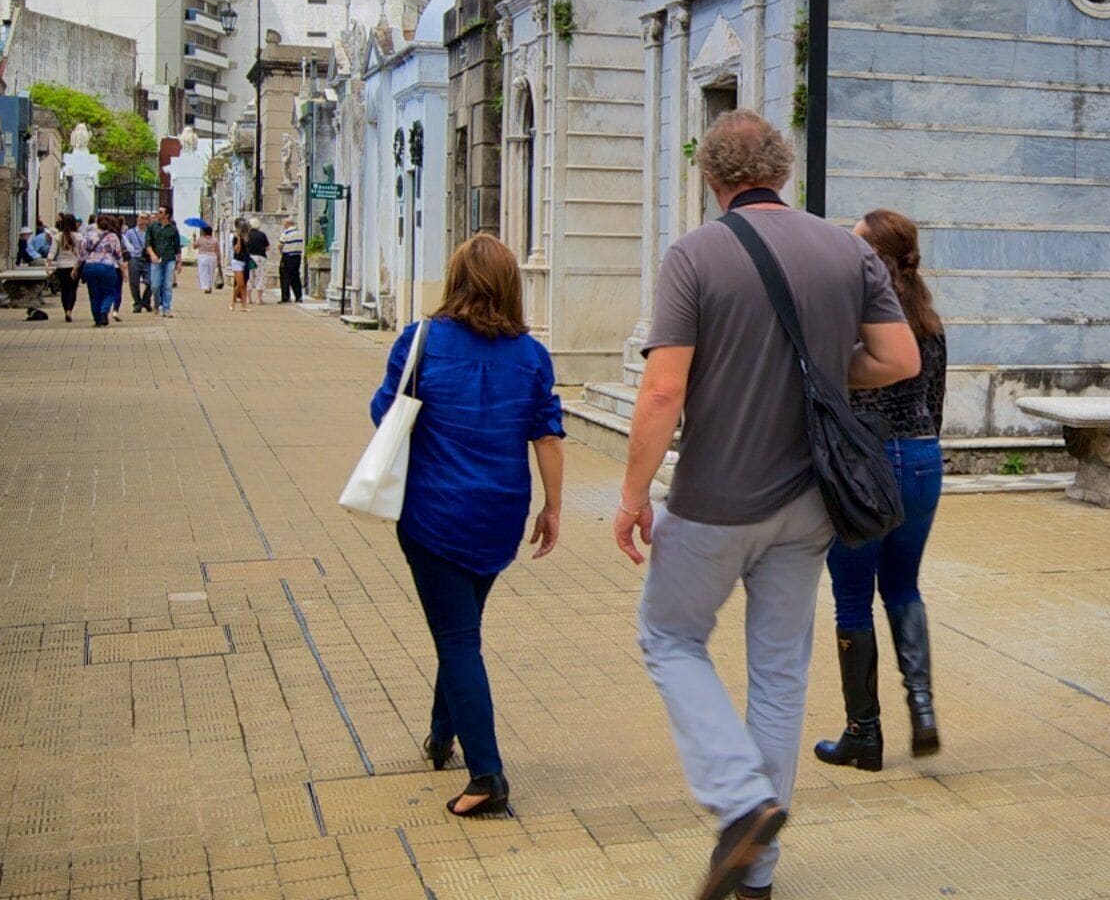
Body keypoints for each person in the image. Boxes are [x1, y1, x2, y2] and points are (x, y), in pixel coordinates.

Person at [617, 112, 918, 900]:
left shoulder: (695, 255)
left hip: (715, 499)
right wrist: (823, 370)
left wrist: (631, 495)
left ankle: (739, 800)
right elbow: (898, 358)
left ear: (711, 176)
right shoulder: (847, 250)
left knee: (670, 637)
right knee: (780, 673)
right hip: (811, 501)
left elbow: (662, 390)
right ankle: (757, 873)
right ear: (781, 171)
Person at [368, 232, 567, 820]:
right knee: (460, 628)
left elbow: (384, 413)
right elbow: (548, 436)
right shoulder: (532, 355)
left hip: (432, 514)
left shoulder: (421, 341)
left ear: (455, 280)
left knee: (457, 637)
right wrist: (553, 508)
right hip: (499, 516)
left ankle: (487, 775)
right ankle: (441, 736)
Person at [812, 208, 948, 771]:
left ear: (871, 257)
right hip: (922, 459)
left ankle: (863, 735)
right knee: (903, 586)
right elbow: (934, 406)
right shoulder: (930, 322)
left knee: (852, 597)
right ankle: (923, 710)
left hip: (862, 467)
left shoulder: (855, 318)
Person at [75, 213, 128, 327]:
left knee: (94, 294)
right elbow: (119, 255)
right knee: (109, 292)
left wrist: (76, 267)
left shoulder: (88, 235)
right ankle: (104, 311)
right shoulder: (113, 237)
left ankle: (97, 319)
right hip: (107, 266)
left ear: (97, 223)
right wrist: (123, 271)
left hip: (90, 266)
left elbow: (82, 254)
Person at [143, 208, 183, 315]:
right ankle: (157, 302)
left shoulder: (173, 229)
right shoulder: (152, 227)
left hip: (169, 259)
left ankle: (166, 308)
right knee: (155, 285)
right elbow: (148, 243)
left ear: (167, 215)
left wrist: (179, 262)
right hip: (156, 259)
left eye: (161, 212)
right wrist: (152, 255)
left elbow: (177, 247)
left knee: (167, 285)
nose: (158, 213)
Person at [48, 214, 82, 322]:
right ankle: (69, 310)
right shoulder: (78, 237)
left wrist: (48, 264)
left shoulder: (57, 237)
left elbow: (52, 252)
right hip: (74, 266)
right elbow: (81, 253)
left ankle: (65, 309)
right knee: (72, 289)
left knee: (64, 289)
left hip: (61, 266)